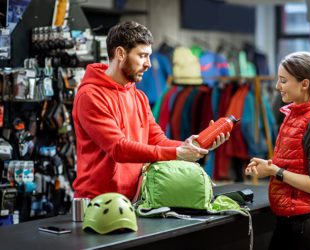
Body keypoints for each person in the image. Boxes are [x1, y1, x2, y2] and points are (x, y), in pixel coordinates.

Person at [72, 21, 228, 200]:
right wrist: (178, 153)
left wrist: (196, 146)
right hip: (96, 203)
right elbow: (118, 148)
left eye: (149, 56)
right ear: (121, 53)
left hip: (134, 200)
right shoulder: (90, 95)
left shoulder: (139, 97)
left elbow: (157, 140)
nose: (148, 64)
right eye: (142, 56)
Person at [245, 52, 310, 250]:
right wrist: (268, 166)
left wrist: (275, 171)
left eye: (283, 81)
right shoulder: (294, 115)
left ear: (304, 84)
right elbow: (295, 162)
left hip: (305, 224)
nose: (277, 86)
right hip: (291, 219)